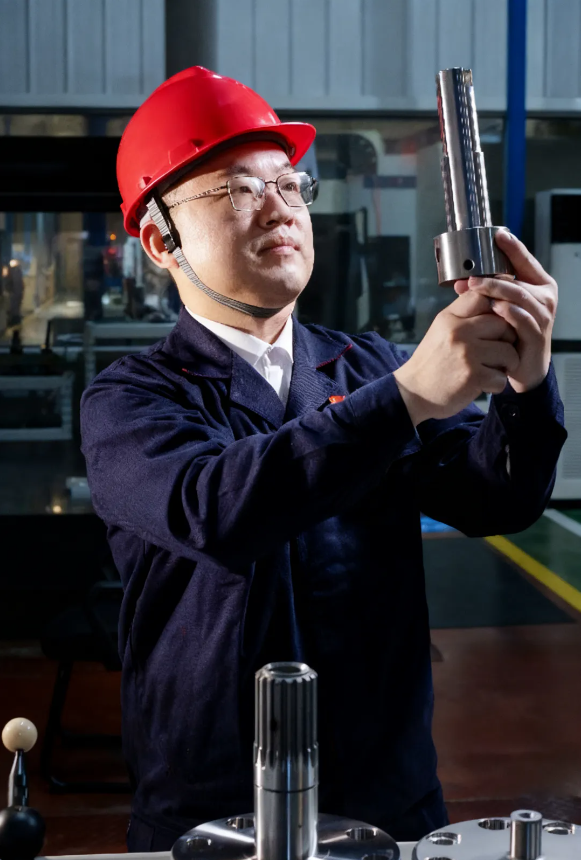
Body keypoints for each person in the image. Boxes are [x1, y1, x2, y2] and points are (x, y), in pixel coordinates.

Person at [80, 67, 566, 851]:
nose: (280, 208)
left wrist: (526, 385)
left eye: (290, 185)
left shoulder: (367, 367)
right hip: (213, 806)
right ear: (161, 240)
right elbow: (218, 510)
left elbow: (497, 498)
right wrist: (406, 397)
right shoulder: (130, 401)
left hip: (388, 796)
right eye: (239, 189)